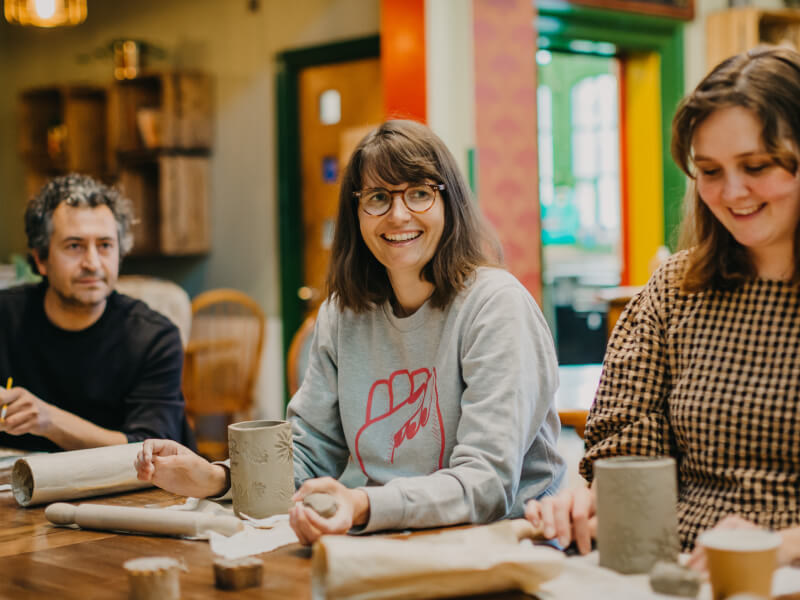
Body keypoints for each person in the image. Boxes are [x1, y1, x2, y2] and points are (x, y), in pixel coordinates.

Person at [135, 119, 565, 544]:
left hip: (499, 544)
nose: (398, 215)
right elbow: (309, 453)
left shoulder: (496, 306)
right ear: (356, 213)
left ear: (449, 202)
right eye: (378, 197)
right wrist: (215, 477)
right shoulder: (342, 313)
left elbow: (486, 483)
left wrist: (362, 505)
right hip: (379, 538)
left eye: (419, 193)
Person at [525, 46, 800, 566]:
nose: (733, 192)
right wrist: (594, 500)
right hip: (670, 568)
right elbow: (627, 448)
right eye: (710, 171)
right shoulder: (675, 289)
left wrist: (780, 545)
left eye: (757, 165)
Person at [0, 173, 194, 452]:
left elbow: (151, 448)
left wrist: (49, 421)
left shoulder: (154, 338)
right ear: (41, 259)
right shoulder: (6, 317)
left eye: (105, 246)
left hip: (130, 481)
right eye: (74, 246)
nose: (92, 263)